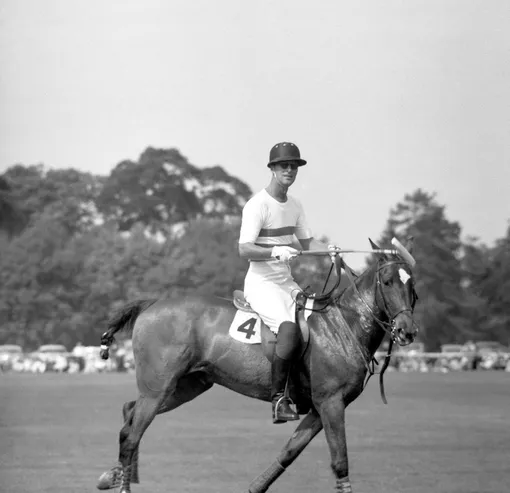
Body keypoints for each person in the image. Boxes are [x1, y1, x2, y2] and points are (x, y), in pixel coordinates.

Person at [238, 142, 338, 423]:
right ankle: (279, 400)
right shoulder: (257, 205)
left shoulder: (295, 205)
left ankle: (305, 389)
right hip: (261, 284)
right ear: (272, 168)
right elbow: (244, 249)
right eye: (284, 165)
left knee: (317, 322)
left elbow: (308, 243)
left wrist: (329, 250)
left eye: (294, 166)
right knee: (290, 329)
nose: (290, 170)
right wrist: (274, 251)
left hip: (285, 281)